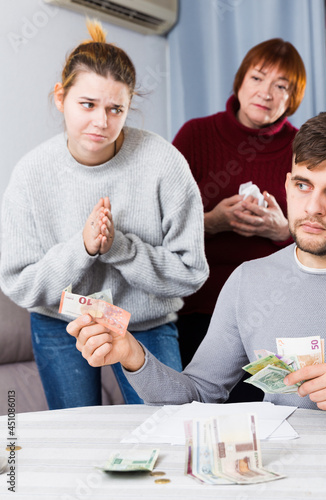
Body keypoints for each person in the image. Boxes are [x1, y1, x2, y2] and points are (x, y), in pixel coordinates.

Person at [67, 110, 326, 448]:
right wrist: (132, 355)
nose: (314, 208)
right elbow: (197, 394)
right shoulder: (248, 282)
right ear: (286, 184)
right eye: (303, 185)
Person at [0, 20, 209, 410]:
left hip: (143, 323)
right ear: (60, 97)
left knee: (167, 427)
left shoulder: (164, 164)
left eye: (116, 109)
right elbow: (18, 283)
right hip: (59, 323)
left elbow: (191, 272)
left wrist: (119, 247)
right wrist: (82, 246)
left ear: (129, 107)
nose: (102, 121)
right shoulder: (31, 173)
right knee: (77, 438)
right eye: (88, 105)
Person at [172, 38, 307, 386]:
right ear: (240, 81)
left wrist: (284, 231)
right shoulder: (195, 135)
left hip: (274, 310)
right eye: (257, 79)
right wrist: (211, 223)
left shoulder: (302, 148)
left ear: (292, 99)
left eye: (282, 86)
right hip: (198, 306)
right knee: (200, 409)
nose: (267, 93)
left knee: (272, 411)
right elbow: (157, 227)